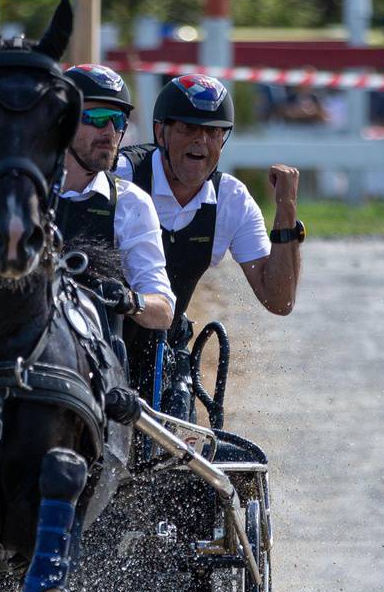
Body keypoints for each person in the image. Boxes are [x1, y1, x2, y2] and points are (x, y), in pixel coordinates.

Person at [0, 62, 174, 333]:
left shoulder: (132, 204)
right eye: (98, 118)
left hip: (90, 363)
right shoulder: (13, 185)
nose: (110, 133)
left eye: (118, 122)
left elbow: (163, 311)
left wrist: (129, 300)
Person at [116, 73, 303, 404]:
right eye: (188, 129)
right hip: (96, 345)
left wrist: (286, 208)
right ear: (161, 131)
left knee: (175, 412)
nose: (200, 141)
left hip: (163, 355)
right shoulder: (120, 176)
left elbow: (279, 300)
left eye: (213, 131)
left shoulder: (232, 200)